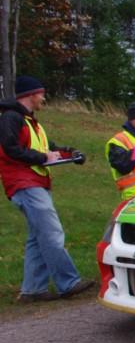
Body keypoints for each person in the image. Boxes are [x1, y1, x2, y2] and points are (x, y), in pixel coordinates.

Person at [0, 75, 94, 302]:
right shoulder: (11, 118)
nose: (43, 98)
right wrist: (43, 157)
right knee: (52, 233)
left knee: (37, 238)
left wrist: (71, 154)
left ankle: (32, 291)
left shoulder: (31, 122)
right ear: (31, 95)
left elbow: (47, 148)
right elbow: (9, 150)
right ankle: (68, 283)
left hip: (35, 184)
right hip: (25, 185)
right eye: (41, 93)